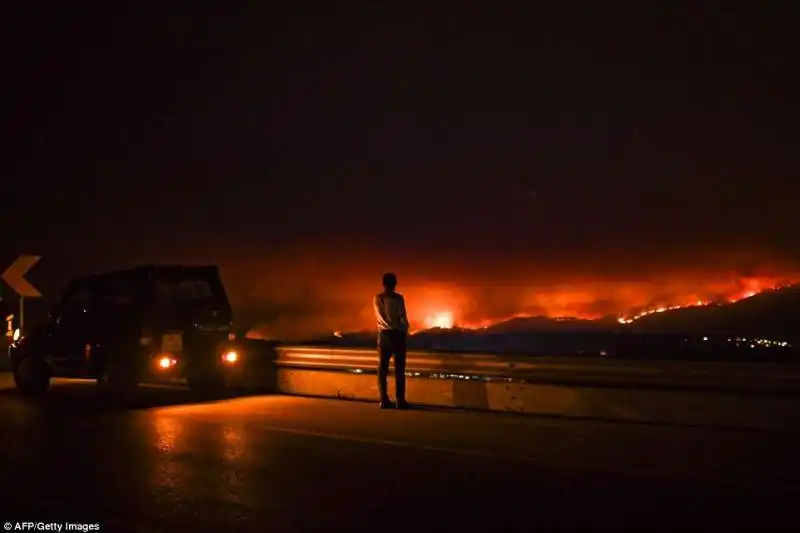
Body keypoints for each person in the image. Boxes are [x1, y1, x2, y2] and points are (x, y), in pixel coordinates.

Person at [373, 272, 410, 409]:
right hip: (397, 335)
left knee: (382, 369)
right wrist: (405, 330)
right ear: (395, 283)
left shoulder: (377, 298)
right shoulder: (398, 298)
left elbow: (379, 316)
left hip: (382, 336)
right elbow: (403, 318)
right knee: (399, 369)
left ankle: (383, 400)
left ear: (383, 284)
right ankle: (400, 400)